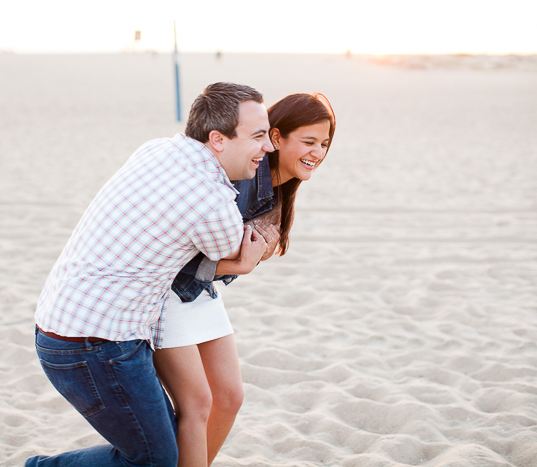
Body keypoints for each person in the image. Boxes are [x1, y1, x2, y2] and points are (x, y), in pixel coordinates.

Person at [26, 82, 276, 467]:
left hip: (61, 325)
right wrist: (246, 261)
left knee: (161, 448)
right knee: (154, 459)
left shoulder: (158, 149)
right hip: (97, 344)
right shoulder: (213, 202)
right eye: (259, 136)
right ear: (217, 139)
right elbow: (235, 251)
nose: (269, 147)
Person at [153, 93, 336, 467]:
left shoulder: (279, 190)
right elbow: (180, 258)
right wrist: (239, 265)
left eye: (324, 144)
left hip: (199, 292)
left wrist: (240, 262)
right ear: (277, 137)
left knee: (230, 397)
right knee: (198, 404)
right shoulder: (247, 176)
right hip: (165, 293)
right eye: (309, 141)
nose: (318, 152)